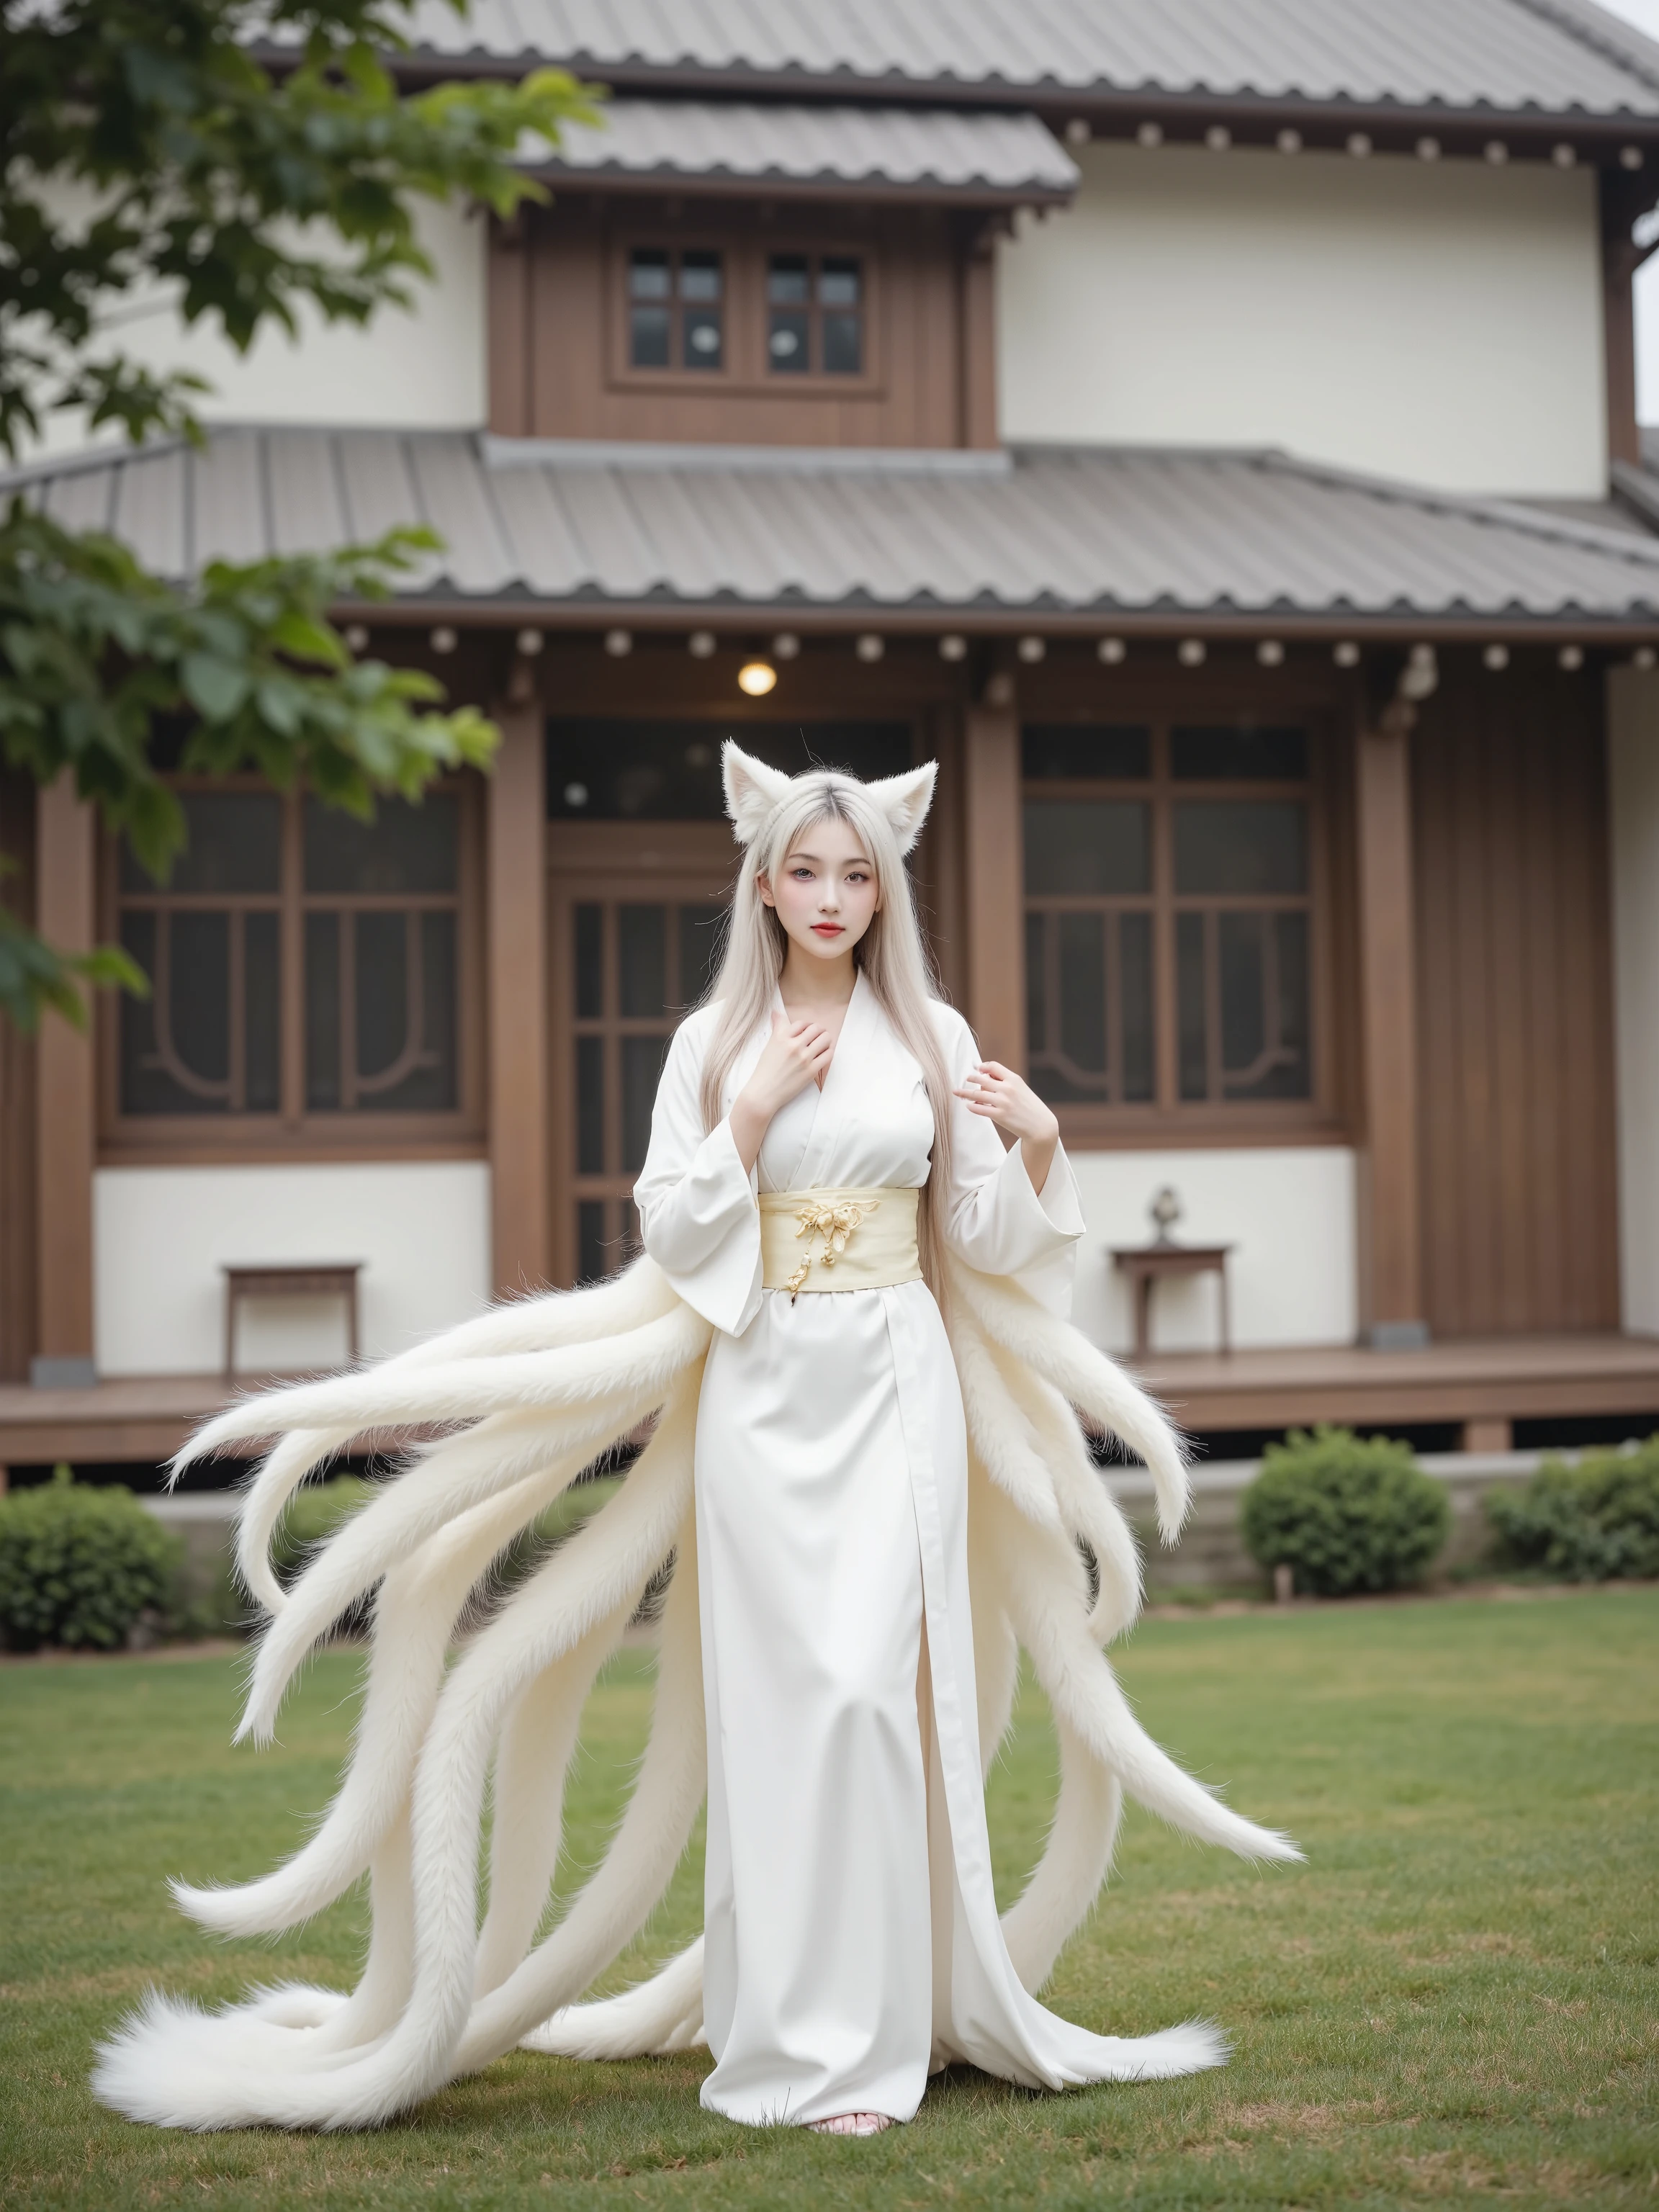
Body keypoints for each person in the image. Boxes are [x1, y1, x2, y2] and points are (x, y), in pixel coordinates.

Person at [94, 746, 1298, 2137]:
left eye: (858, 874)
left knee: (877, 1701)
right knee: (779, 1712)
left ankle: (887, 2023)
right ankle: (792, 2032)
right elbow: (674, 1227)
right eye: (806, 872)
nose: (832, 897)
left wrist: (1036, 1145)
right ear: (765, 883)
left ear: (886, 888)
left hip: (895, 1378)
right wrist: (746, 1116)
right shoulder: (711, 1045)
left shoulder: (937, 1041)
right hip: (763, 1389)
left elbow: (979, 1242)